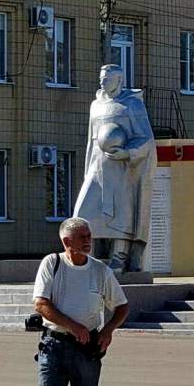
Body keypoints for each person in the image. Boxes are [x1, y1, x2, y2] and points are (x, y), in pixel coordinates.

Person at [32, 217, 129, 386]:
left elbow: (121, 307)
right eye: (82, 237)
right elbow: (41, 304)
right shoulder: (53, 264)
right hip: (54, 345)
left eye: (90, 236)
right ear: (67, 242)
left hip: (87, 350)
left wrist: (108, 330)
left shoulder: (100, 271)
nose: (88, 241)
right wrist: (72, 326)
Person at [73, 63, 156, 273]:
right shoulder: (96, 105)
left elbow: (145, 139)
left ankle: (119, 258)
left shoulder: (132, 105)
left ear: (119, 80)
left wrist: (128, 153)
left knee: (122, 213)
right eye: (101, 78)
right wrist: (87, 169)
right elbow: (91, 142)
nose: (102, 82)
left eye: (107, 78)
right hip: (97, 165)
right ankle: (86, 258)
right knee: (82, 212)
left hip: (121, 165)